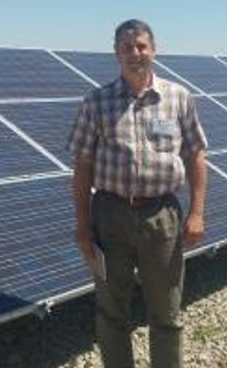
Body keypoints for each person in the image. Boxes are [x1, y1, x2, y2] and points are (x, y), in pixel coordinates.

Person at [68, 19, 208, 368]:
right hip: (110, 216)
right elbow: (82, 167)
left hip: (162, 217)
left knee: (167, 311)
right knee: (111, 311)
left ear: (154, 50)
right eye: (127, 47)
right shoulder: (96, 102)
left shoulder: (178, 98)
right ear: (116, 52)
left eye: (142, 46)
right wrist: (83, 229)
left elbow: (195, 155)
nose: (135, 53)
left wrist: (196, 213)